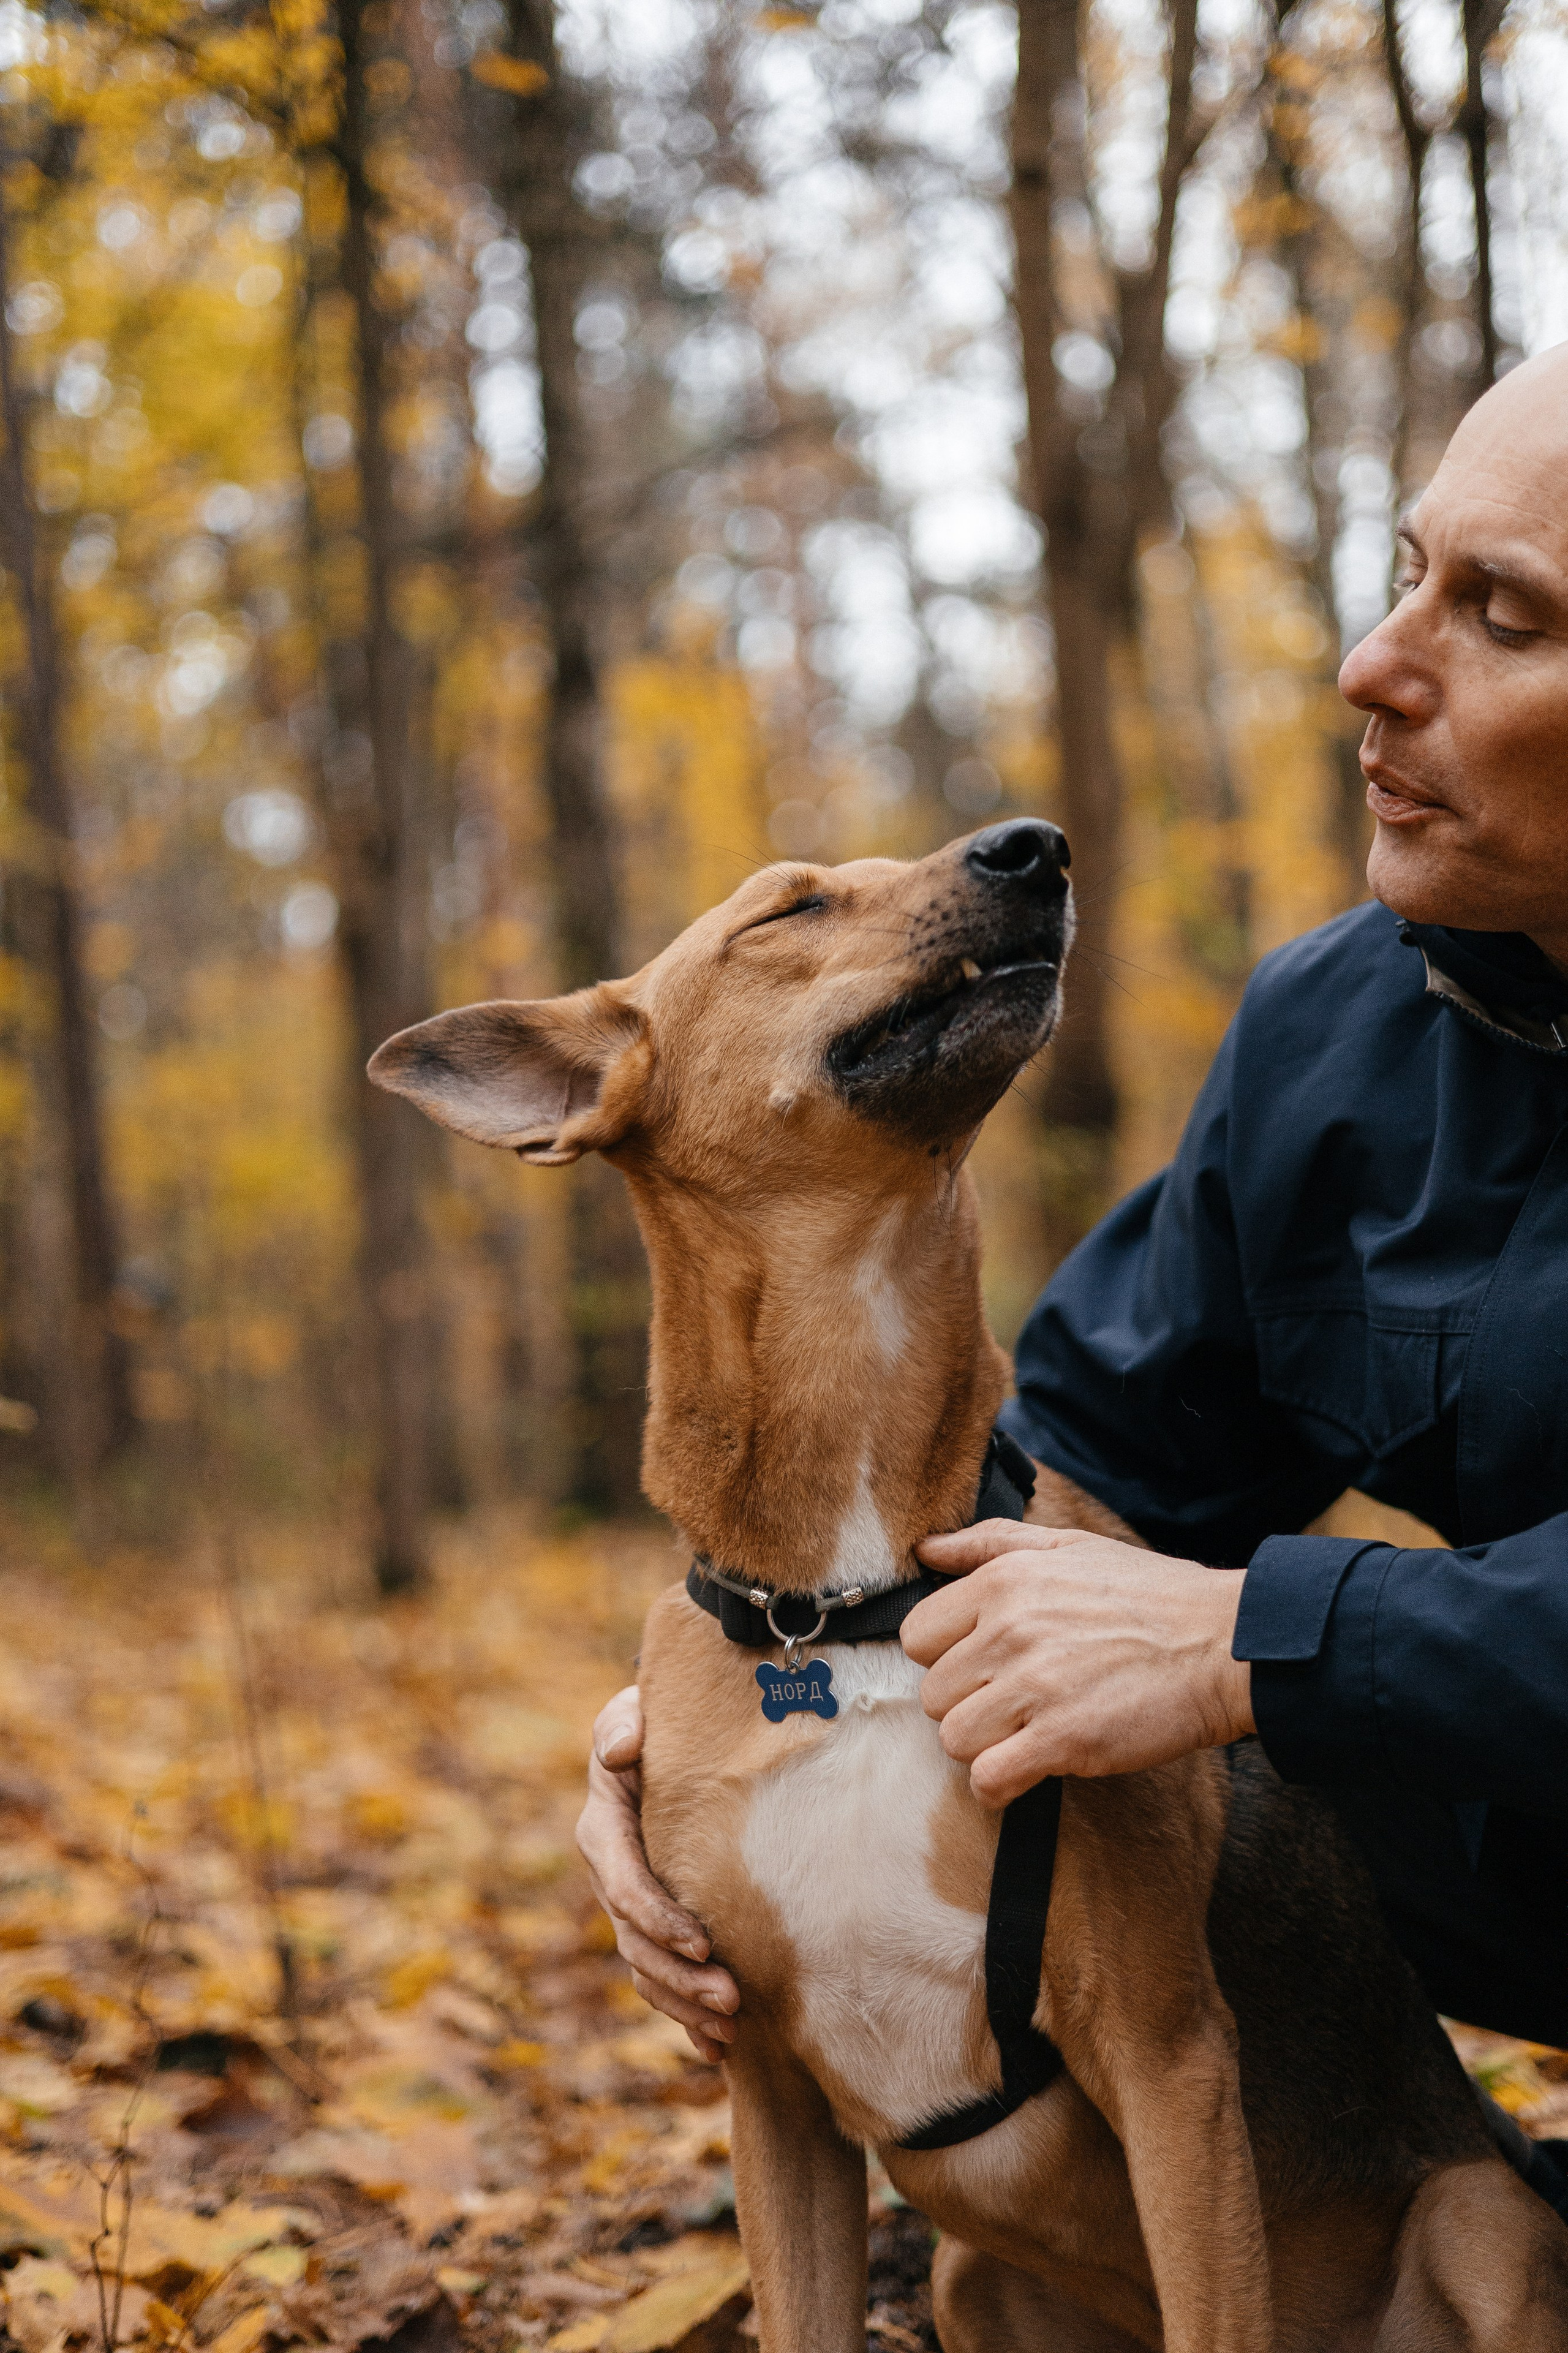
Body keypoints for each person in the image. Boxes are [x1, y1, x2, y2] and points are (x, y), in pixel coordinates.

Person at [575, 346, 1568, 2126]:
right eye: (1406, 571)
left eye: (1502, 616)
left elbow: (1228, 1631)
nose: (1374, 666)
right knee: (1178, 1745)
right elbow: (1070, 1469)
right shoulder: (1336, 1039)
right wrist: (718, 1703)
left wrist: (1258, 1634)